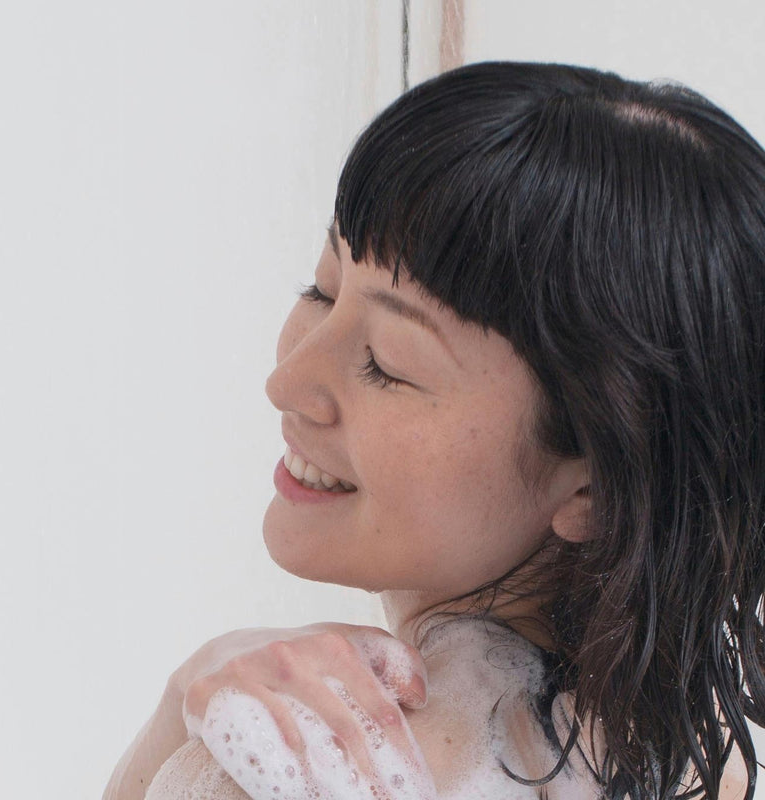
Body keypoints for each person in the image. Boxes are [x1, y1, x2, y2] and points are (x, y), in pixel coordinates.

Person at [104, 61, 765, 800]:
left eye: (387, 363)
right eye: (323, 289)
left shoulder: (305, 768)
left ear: (594, 487)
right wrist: (187, 694)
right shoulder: (697, 768)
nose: (287, 381)